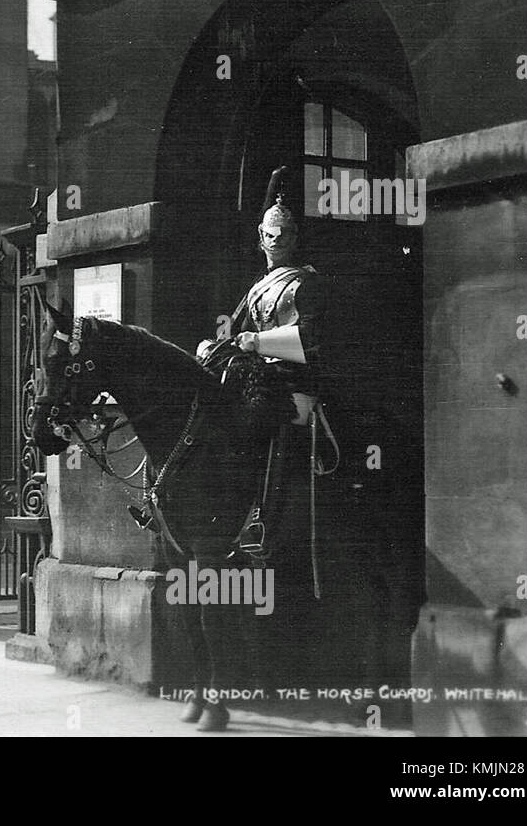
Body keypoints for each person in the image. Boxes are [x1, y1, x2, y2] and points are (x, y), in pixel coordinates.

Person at [200, 169, 337, 694]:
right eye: (266, 234)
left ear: (294, 237)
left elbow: (308, 339)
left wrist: (256, 344)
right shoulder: (257, 287)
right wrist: (217, 348)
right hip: (258, 382)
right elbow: (235, 331)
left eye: (279, 233)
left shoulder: (304, 283)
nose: (271, 241)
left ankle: (264, 516)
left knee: (272, 423)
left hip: (297, 388)